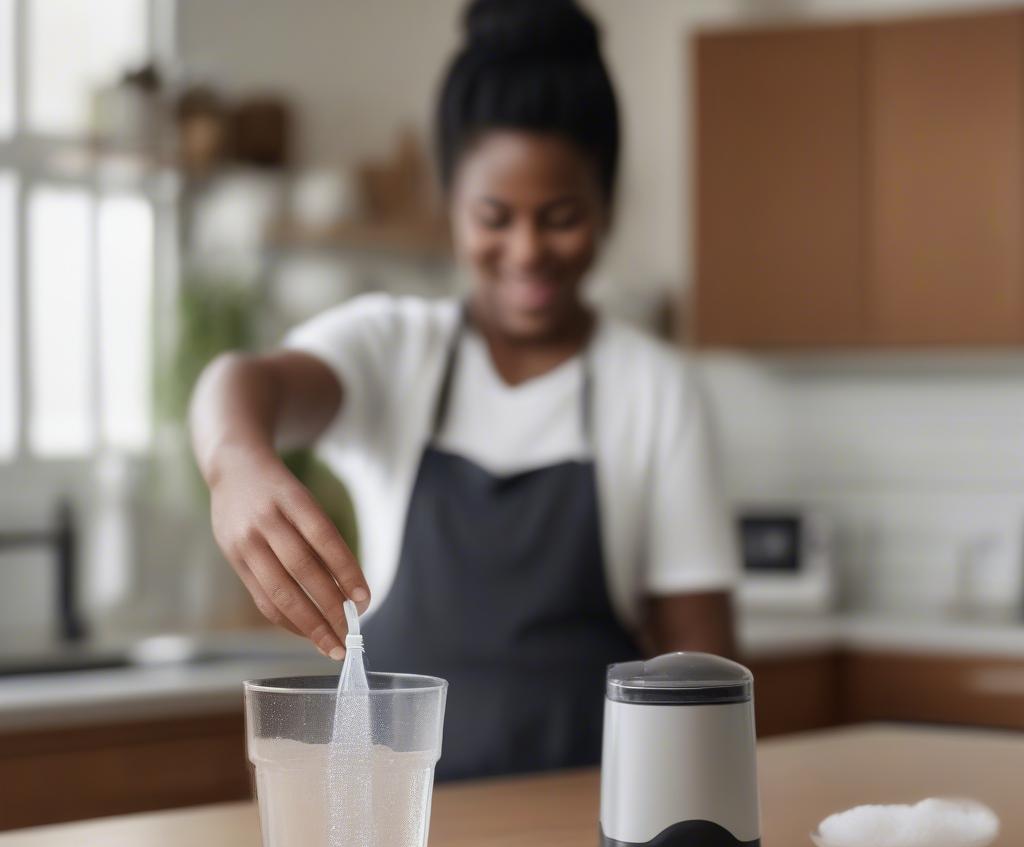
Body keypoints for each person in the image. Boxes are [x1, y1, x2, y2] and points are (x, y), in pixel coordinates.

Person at [190, 0, 737, 780]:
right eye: (494, 217)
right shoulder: (391, 348)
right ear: (452, 206)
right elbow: (238, 380)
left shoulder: (655, 390)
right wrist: (235, 463)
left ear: (606, 205)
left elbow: (705, 682)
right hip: (396, 839)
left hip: (588, 841)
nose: (526, 250)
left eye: (561, 217)